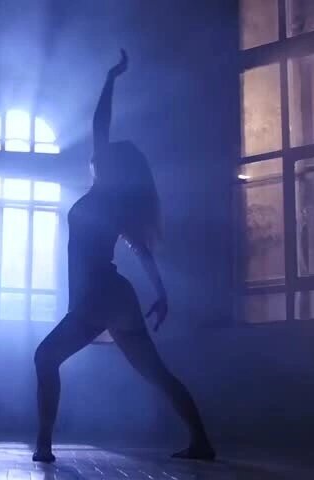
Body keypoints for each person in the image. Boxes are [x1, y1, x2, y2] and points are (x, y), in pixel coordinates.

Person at [32, 50, 216, 463]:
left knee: (45, 357)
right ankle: (202, 442)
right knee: (157, 374)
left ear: (111, 165)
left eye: (105, 155)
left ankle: (43, 447)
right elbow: (142, 250)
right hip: (115, 298)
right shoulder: (116, 201)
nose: (97, 156)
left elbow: (100, 126)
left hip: (99, 295)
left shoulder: (107, 195)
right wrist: (162, 293)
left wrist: (110, 80)